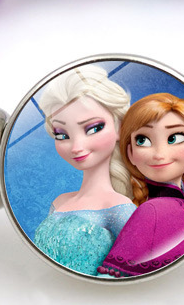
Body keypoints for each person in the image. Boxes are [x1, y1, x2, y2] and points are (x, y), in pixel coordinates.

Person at [33, 64, 136, 276]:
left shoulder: (120, 209)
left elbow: (132, 268)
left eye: (93, 128)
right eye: (62, 134)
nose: (76, 147)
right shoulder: (59, 202)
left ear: (119, 126)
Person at [98, 93, 184, 278]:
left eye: (175, 138)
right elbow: (110, 279)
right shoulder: (151, 211)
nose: (159, 154)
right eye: (143, 140)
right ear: (130, 153)